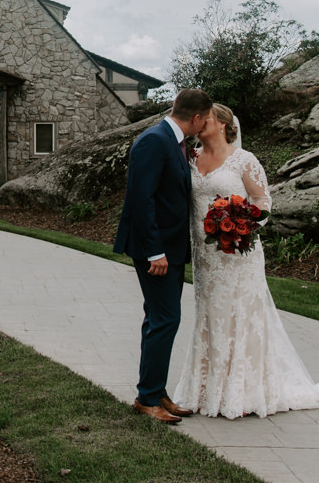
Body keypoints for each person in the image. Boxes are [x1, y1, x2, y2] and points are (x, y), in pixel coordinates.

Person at [172, 104, 319, 418]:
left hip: (239, 253)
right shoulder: (190, 157)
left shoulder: (244, 160)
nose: (200, 123)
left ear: (224, 124)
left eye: (208, 118)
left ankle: (242, 393)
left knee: (240, 317)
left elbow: (262, 200)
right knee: (210, 318)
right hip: (205, 256)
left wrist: (247, 226)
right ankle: (205, 390)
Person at [113, 88, 212, 424]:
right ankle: (147, 398)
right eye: (204, 121)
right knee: (166, 319)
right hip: (155, 250)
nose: (203, 128)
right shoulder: (154, 140)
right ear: (196, 118)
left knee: (158, 318)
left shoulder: (175, 143)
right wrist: (155, 251)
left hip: (169, 247)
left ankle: (155, 390)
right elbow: (142, 200)